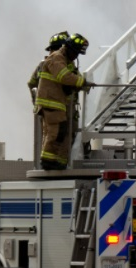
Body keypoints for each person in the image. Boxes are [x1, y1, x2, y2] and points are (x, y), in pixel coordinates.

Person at [34, 32, 93, 170]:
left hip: (56, 102)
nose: (76, 56)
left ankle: (59, 162)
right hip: (51, 101)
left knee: (62, 132)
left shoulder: (65, 61)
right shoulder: (56, 58)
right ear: (69, 48)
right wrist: (82, 82)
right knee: (55, 131)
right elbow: (64, 77)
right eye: (75, 52)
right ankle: (48, 161)